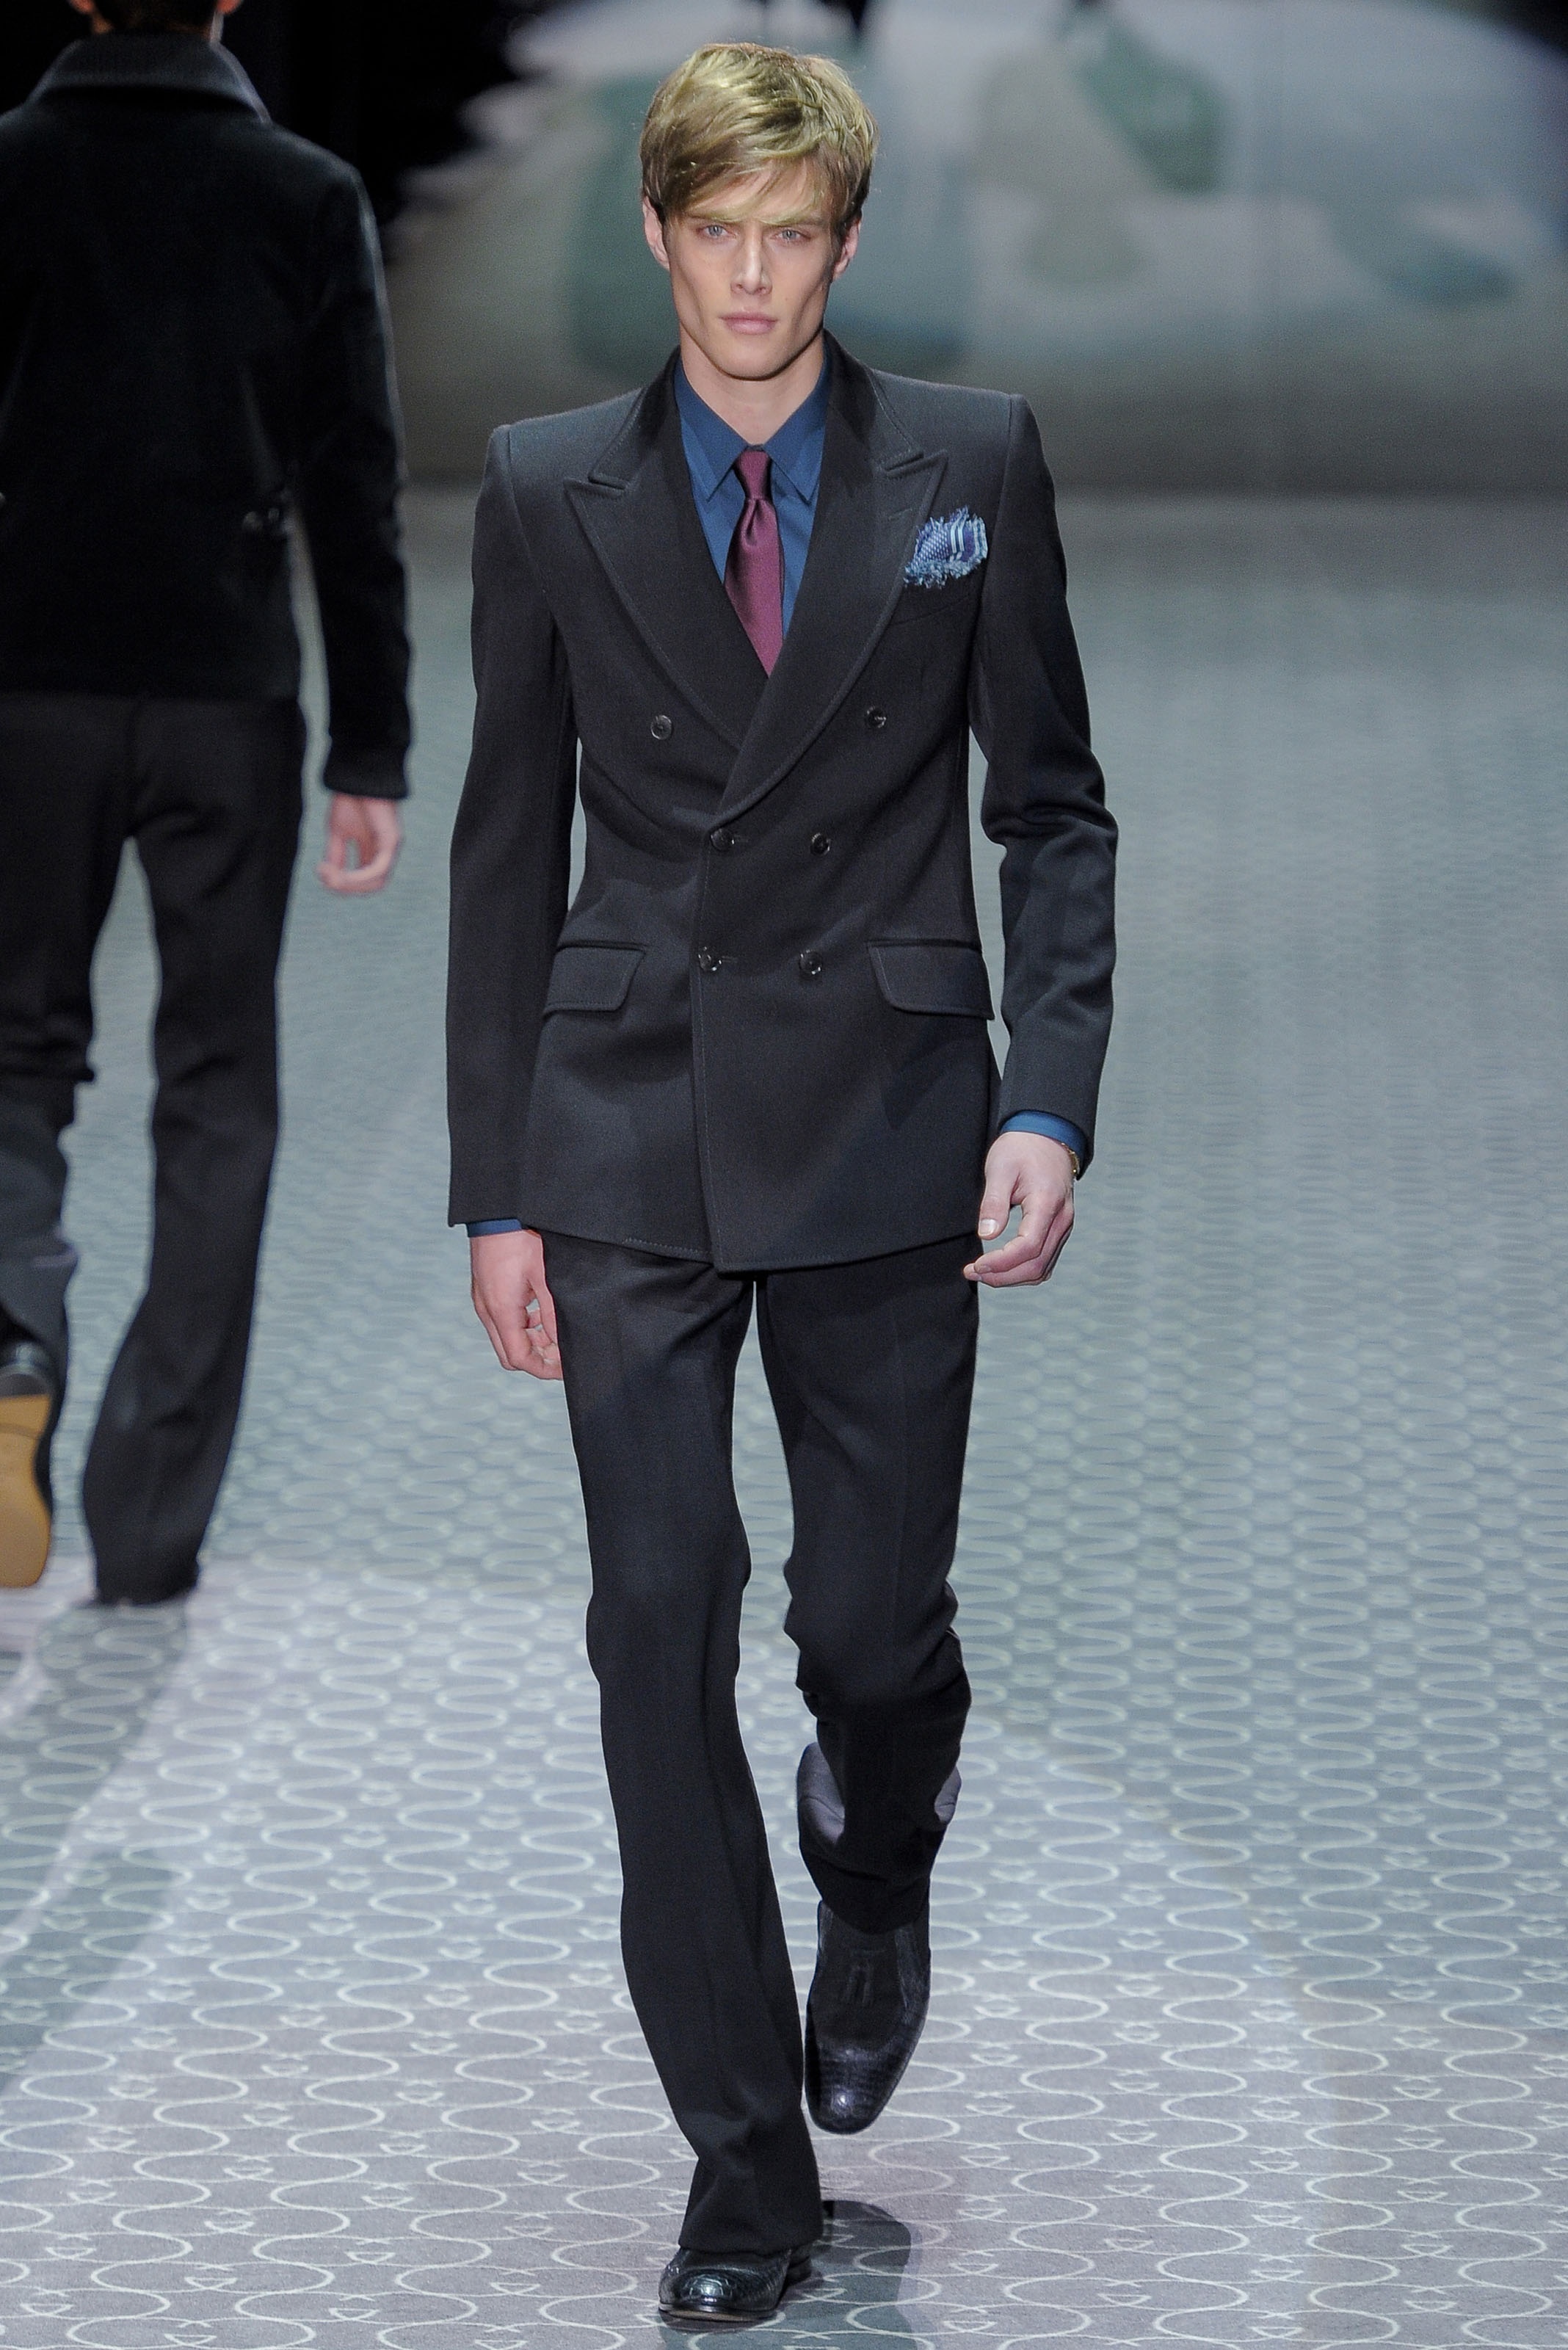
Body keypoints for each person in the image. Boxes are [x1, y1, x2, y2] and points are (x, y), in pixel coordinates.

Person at [447, 41, 1116, 2325]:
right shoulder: (548, 485)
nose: (750, 281)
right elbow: (504, 844)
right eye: (715, 234)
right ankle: (742, 2170)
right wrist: (496, 1186)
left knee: (865, 1638)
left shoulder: (969, 463)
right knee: (656, 1633)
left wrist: (1051, 1099)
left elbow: (1052, 804)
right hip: (624, 1115)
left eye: (792, 236)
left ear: (846, 244)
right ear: (655, 234)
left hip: (892, 1114)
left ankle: (881, 1850)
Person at [0, 0, 411, 1603]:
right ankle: (152, 1512)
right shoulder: (303, 193)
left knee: (13, 1051)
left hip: (25, 687)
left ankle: (12, 1332)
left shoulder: (9, 169)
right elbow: (354, 479)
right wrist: (369, 743)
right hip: (227, 696)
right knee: (220, 1083)